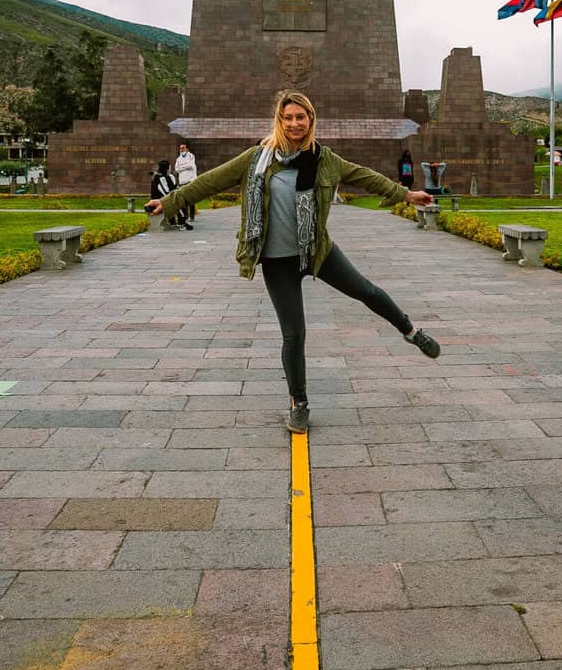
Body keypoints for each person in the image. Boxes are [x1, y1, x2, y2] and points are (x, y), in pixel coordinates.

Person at [147, 91, 441, 434]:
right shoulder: (257, 158)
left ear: (310, 119)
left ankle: (411, 331)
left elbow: (366, 177)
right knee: (294, 334)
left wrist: (406, 193)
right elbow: (210, 181)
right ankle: (299, 403)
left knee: (365, 289)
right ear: (279, 120)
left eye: (300, 117)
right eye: (288, 118)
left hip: (316, 250)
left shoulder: (324, 159)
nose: (294, 124)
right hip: (277, 261)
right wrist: (168, 203)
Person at [173, 143, 198, 230]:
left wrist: (182, 167)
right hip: (182, 181)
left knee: (191, 199)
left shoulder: (191, 156)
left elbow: (191, 166)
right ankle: (185, 216)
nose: (181, 150)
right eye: (180, 148)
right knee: (184, 200)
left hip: (190, 180)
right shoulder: (178, 159)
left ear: (187, 149)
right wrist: (184, 167)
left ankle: (192, 216)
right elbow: (176, 169)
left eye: (183, 148)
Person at [150, 159, 177, 225]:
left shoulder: (156, 177)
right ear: (167, 168)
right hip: (161, 202)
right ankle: (176, 222)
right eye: (170, 167)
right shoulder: (163, 178)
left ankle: (173, 221)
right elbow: (168, 192)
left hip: (156, 201)